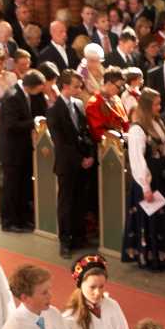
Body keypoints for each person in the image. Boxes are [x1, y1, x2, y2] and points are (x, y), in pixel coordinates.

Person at [123, 88, 165, 272]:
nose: (159, 107)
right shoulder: (137, 129)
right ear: (147, 106)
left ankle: (162, 255)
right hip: (148, 181)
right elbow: (137, 160)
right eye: (156, 104)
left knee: (162, 218)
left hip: (161, 178)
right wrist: (145, 186)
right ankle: (150, 257)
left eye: (159, 103)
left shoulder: (158, 122)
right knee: (151, 220)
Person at [47, 70, 97, 258]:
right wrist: (79, 159)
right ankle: (65, 240)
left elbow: (85, 132)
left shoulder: (78, 104)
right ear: (65, 87)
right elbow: (60, 142)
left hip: (83, 162)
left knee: (80, 201)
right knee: (66, 203)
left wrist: (90, 155)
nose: (79, 90)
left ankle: (79, 236)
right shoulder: (54, 110)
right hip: (68, 164)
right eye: (76, 86)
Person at [0, 67, 42, 232]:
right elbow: (11, 125)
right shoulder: (12, 96)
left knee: (22, 186)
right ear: (31, 86)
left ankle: (21, 218)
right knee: (11, 187)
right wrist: (34, 122)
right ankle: (9, 222)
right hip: (12, 150)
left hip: (22, 148)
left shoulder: (23, 94)